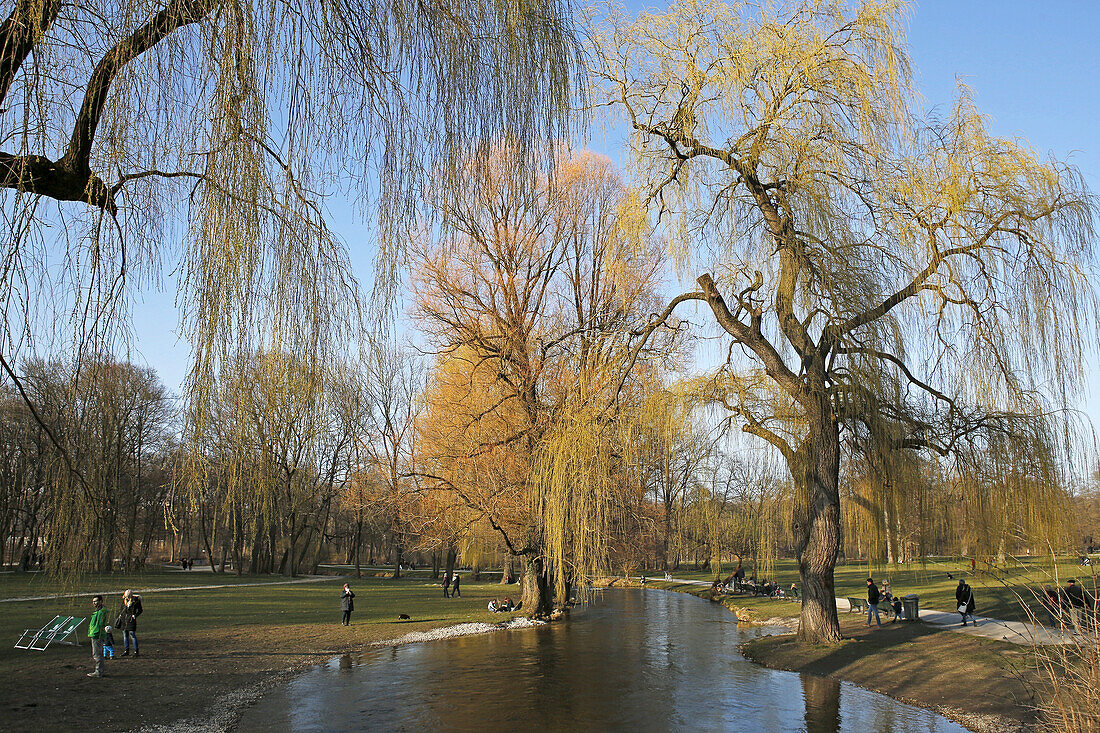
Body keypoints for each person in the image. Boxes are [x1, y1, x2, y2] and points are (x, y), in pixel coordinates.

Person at [118, 589, 143, 656]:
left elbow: (140, 610)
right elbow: (121, 609)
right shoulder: (124, 601)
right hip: (124, 620)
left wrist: (135, 615)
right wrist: (120, 615)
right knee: (125, 636)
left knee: (132, 635)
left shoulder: (136, 601)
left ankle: (136, 651)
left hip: (131, 620)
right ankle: (126, 650)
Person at [87, 595, 107, 677]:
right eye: (93, 601)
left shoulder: (101, 612)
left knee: (97, 654)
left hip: (97, 635)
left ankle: (98, 672)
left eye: (96, 601)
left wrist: (95, 633)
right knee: (98, 653)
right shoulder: (98, 611)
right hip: (96, 634)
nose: (94, 603)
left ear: (101, 601)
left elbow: (99, 625)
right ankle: (99, 671)